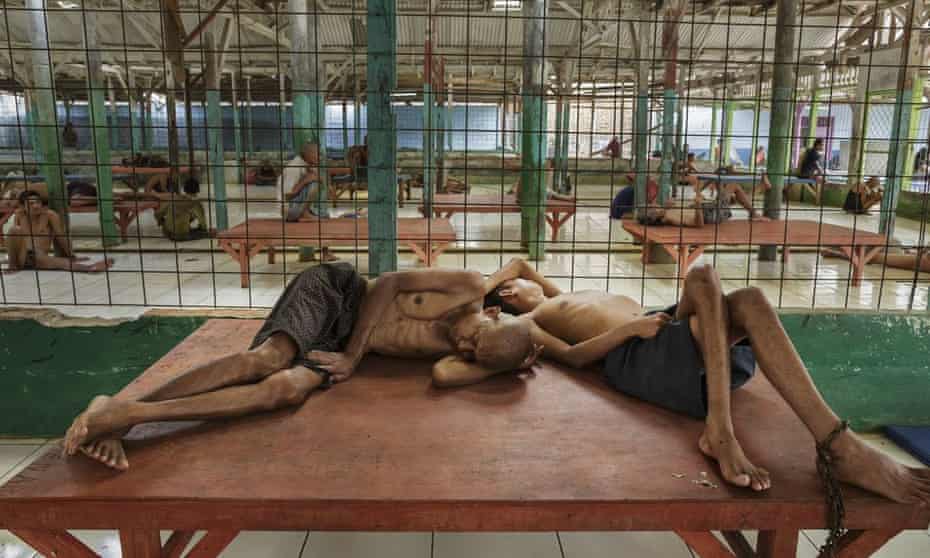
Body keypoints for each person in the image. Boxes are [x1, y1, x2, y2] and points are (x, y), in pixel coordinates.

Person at [481, 258, 930, 505]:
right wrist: (628, 331)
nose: (521, 283)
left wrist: (520, 278)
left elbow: (521, 263)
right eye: (511, 289)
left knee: (745, 297)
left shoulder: (559, 295)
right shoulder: (535, 319)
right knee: (706, 276)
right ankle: (722, 429)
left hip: (662, 337)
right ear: (505, 298)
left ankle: (838, 445)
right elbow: (574, 358)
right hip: (634, 356)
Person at [63, 264, 538, 471]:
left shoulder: (471, 355)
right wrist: (354, 355)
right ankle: (122, 407)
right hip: (339, 295)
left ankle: (127, 417)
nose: (464, 344)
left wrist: (504, 362)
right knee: (266, 360)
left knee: (284, 391)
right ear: (493, 311)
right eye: (475, 336)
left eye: (472, 354)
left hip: (340, 346)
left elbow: (449, 373)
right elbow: (388, 283)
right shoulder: (469, 286)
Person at [6, 190, 113, 272]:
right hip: (21, 256)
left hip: (38, 257)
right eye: (30, 204)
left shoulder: (49, 215)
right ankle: (12, 266)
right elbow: (14, 241)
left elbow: (60, 236)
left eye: (38, 202)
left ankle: (90, 268)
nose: (35, 206)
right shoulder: (19, 215)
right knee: (13, 229)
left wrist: (71, 255)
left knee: (62, 263)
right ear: (23, 206)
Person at [279, 142, 336, 261]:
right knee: (313, 184)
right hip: (289, 210)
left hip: (300, 208)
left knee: (325, 217)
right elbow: (287, 195)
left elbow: (321, 177)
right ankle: (304, 214)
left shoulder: (307, 164)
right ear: (308, 154)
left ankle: (326, 252)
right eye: (317, 154)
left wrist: (328, 185)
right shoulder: (294, 168)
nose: (320, 156)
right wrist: (305, 181)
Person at [154, 177, 209, 241]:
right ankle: (182, 229)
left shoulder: (173, 198)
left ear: (184, 190)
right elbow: (203, 225)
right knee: (204, 232)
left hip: (167, 233)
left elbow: (157, 214)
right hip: (182, 236)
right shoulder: (196, 203)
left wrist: (163, 222)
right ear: (198, 190)